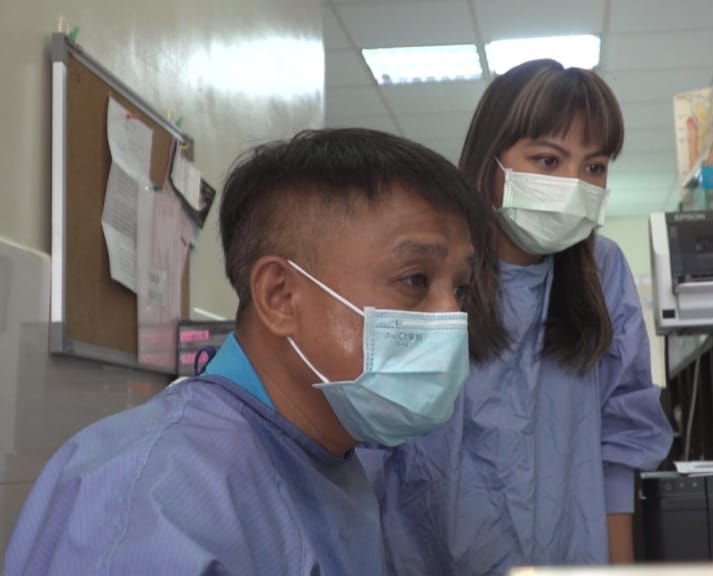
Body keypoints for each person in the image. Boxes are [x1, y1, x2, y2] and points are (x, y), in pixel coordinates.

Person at [3, 128, 483, 575]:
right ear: (280, 296)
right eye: (415, 280)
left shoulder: (332, 463)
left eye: (459, 288)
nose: (451, 315)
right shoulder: (149, 497)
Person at [360, 60, 674, 574]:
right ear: (492, 159)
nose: (573, 184)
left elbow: (621, 438)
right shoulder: (422, 270)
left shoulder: (603, 272)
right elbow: (371, 441)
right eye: (548, 161)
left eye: (594, 168)